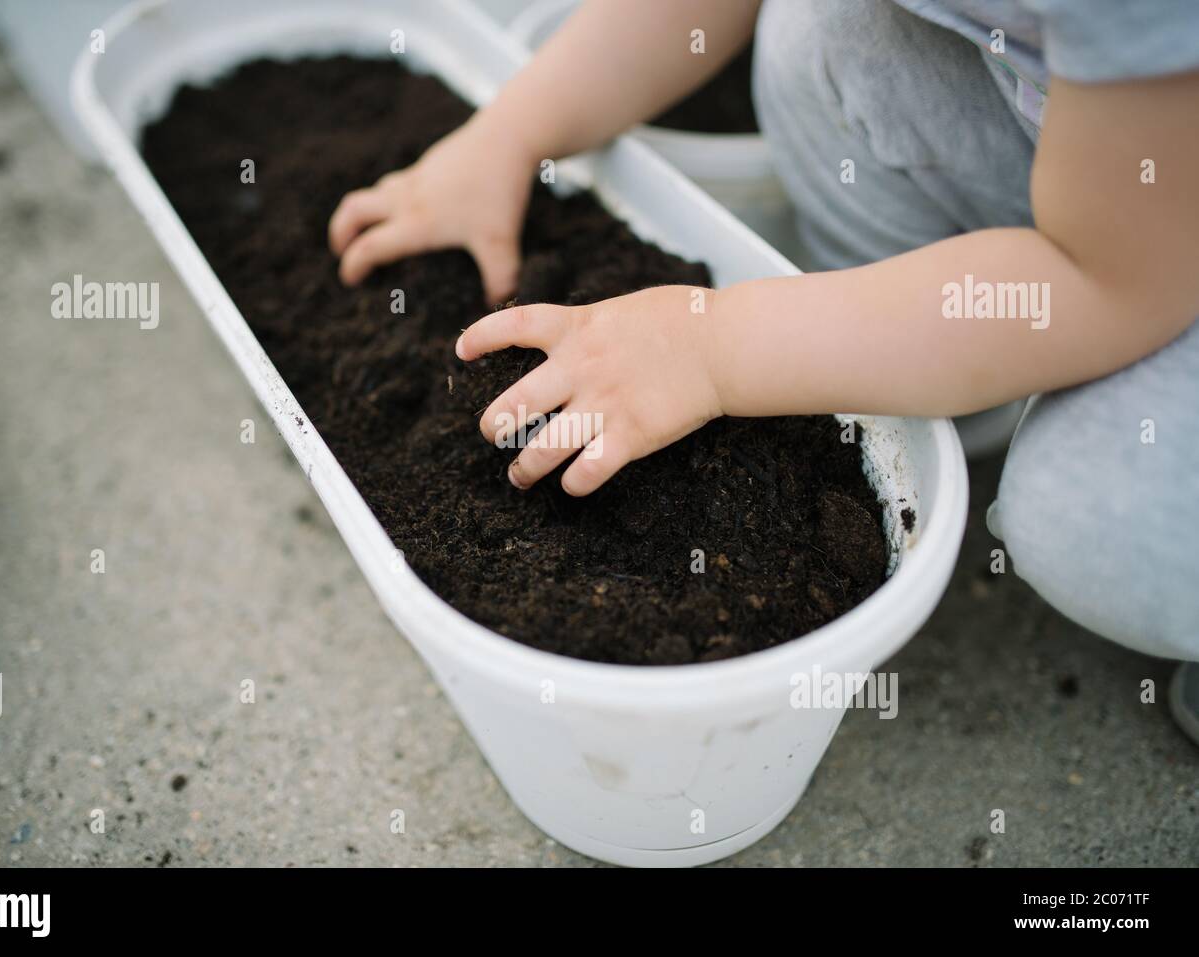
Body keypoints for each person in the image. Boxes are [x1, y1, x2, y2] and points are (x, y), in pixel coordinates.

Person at [328, 0, 1199, 730]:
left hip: (1147, 229)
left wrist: (713, 346)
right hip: (1112, 150)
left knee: (1090, 523)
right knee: (826, 25)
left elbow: (1111, 279)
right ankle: (949, 386)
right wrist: (508, 137)